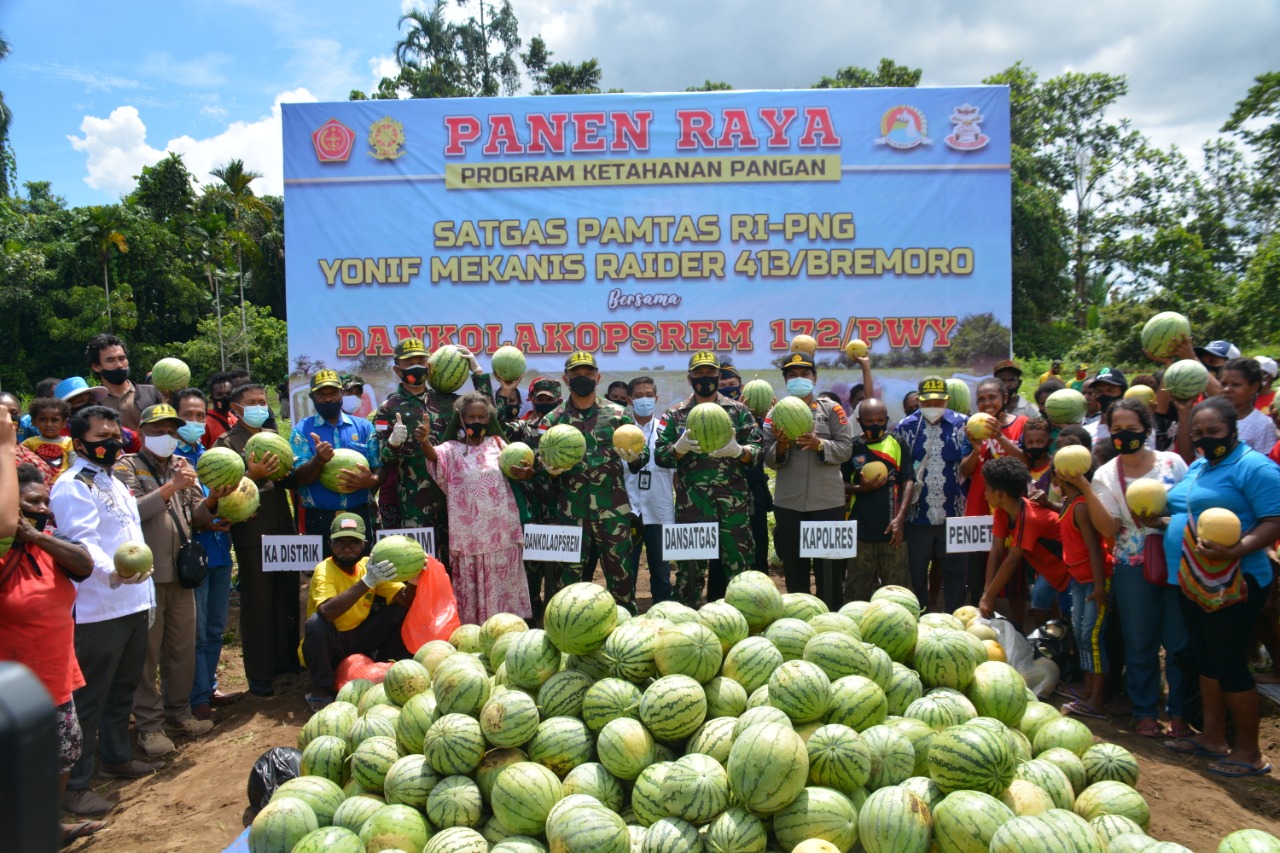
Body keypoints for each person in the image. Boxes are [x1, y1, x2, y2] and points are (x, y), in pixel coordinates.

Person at [1156, 397, 1280, 777]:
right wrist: (1159, 519)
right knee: (1206, 659)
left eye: (1214, 432)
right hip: (1195, 579)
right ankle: (1212, 737)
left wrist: (1235, 550)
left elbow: (1273, 521)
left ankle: (1250, 752)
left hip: (1237, 581)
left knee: (1228, 662)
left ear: (1233, 430)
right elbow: (1186, 511)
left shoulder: (1254, 467)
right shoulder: (1199, 466)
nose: (1206, 440)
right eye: (1198, 434)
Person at [50, 405, 161, 817]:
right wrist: (113, 570)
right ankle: (77, 786)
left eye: (116, 437)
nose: (111, 445)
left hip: (133, 601)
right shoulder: (72, 485)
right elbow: (82, 543)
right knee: (89, 698)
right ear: (79, 443)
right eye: (101, 439)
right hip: (99, 607)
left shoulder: (114, 481)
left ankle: (116, 757)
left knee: (123, 687)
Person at [1075, 398, 1190, 737]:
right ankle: (1145, 710)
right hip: (1131, 569)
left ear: (1147, 428)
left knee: (1178, 641)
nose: (1125, 435)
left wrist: (1164, 519)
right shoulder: (1107, 474)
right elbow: (1109, 529)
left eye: (1132, 429)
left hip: (1175, 562)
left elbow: (1190, 507)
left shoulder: (1172, 463)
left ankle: (1180, 713)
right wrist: (1084, 486)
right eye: (1117, 430)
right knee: (1140, 642)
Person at [0, 463, 102, 844]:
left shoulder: (50, 543)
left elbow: (84, 564)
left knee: (63, 753)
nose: (42, 508)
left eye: (45, 501)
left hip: (55, 675)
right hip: (13, 687)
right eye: (30, 503)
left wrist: (35, 536)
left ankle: (48, 824)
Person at [115, 404, 221, 757]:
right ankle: (149, 727)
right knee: (147, 654)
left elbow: (199, 517)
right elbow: (131, 512)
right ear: (144, 432)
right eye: (159, 430)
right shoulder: (127, 466)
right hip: (146, 576)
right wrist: (171, 486)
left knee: (182, 648)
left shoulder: (182, 468)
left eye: (172, 431)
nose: (167, 437)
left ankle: (179, 714)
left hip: (181, 573)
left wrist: (215, 497)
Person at [535, 352, 647, 607]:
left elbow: (642, 455)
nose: (582, 378)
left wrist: (634, 458)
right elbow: (538, 462)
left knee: (621, 580)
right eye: (576, 374)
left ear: (598, 377)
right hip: (571, 513)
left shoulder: (619, 416)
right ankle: (569, 631)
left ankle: (625, 632)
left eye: (588, 374)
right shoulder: (552, 420)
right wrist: (548, 470)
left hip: (613, 512)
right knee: (568, 584)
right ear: (566, 379)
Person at [214, 382, 301, 697]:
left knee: (286, 595)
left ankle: (286, 662)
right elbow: (221, 492)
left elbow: (291, 477)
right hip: (252, 533)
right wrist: (251, 473)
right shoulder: (227, 444)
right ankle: (260, 674)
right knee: (259, 601)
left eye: (263, 401)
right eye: (251, 402)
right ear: (235, 409)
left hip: (283, 527)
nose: (259, 406)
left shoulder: (274, 439)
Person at [375, 338, 493, 566]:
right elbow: (384, 462)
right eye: (409, 362)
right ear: (397, 369)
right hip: (415, 502)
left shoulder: (449, 402)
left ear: (429, 366)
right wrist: (393, 445)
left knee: (457, 561)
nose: (416, 366)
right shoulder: (389, 409)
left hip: (455, 498)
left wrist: (477, 373)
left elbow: (488, 412)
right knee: (420, 563)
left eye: (421, 360)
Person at [655, 351, 759, 606]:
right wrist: (678, 449)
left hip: (733, 503)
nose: (705, 378)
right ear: (689, 377)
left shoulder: (738, 411)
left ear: (718, 375)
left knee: (740, 568)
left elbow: (757, 451)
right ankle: (685, 623)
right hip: (692, 504)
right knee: (688, 572)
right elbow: (660, 456)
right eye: (699, 373)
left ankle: (746, 621)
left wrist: (740, 451)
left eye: (710, 372)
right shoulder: (675, 414)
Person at [421, 392, 531, 623]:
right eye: (471, 416)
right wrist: (424, 441)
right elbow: (433, 458)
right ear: (461, 418)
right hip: (469, 536)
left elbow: (518, 470)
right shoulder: (451, 449)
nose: (477, 421)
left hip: (502, 533)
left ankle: (508, 628)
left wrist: (527, 472)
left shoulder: (499, 444)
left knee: (504, 583)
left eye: (482, 416)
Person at [763, 351, 854, 609]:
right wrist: (781, 446)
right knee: (794, 566)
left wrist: (819, 444)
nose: (799, 379)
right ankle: (798, 617)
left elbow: (846, 449)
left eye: (805, 374)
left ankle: (832, 617)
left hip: (828, 502)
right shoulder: (775, 415)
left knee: (830, 568)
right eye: (792, 375)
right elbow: (769, 460)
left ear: (814, 378)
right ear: (785, 381)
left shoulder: (833, 409)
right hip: (789, 503)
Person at [172, 388, 240, 720]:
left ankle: (209, 685)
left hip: (219, 552)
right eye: (188, 416)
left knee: (215, 628)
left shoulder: (210, 454)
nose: (197, 422)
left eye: (201, 416)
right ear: (175, 419)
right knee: (196, 632)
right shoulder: (173, 461)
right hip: (192, 556)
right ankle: (196, 696)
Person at [301, 513, 413, 708]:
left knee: (399, 613)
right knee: (316, 623)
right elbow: (327, 612)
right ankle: (322, 687)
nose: (346, 549)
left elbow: (404, 600)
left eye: (354, 543)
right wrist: (367, 583)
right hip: (330, 645)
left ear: (365, 544)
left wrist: (414, 580)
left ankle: (386, 669)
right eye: (340, 542)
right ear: (330, 544)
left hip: (359, 639)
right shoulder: (324, 569)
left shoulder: (368, 566)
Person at [896, 376, 975, 611]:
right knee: (916, 572)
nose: (933, 407)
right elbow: (902, 473)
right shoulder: (906, 427)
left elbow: (969, 469)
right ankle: (920, 615)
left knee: (956, 572)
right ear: (919, 400)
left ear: (947, 400)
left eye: (938, 402)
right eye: (927, 402)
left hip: (955, 514)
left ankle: (954, 616)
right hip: (917, 517)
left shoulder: (964, 425)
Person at [292, 368, 381, 555]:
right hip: (319, 519)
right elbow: (299, 477)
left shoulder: (364, 427)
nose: (328, 398)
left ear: (341, 392)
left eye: (333, 392)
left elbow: (378, 468)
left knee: (362, 575)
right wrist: (318, 461)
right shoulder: (302, 430)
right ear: (312, 396)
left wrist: (370, 481)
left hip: (359, 514)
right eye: (321, 394)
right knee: (323, 576)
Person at [496, 377, 562, 620]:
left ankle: (558, 624)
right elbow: (498, 424)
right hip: (531, 520)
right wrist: (505, 390)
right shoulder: (524, 430)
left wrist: (541, 472)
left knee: (560, 584)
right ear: (531, 400)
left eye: (550, 399)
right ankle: (532, 626)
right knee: (530, 580)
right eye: (540, 398)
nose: (545, 403)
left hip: (563, 518)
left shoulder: (570, 433)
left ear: (560, 401)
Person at [977, 456, 1070, 623]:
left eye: (987, 489)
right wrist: (987, 592)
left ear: (1000, 494)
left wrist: (989, 597)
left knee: (1072, 624)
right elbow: (997, 550)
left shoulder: (1030, 517)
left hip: (1070, 572)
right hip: (1051, 573)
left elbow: (1011, 561)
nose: (984, 494)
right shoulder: (1002, 510)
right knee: (1042, 602)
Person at [963, 378, 1029, 604]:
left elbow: (1026, 463)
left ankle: (1016, 626)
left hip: (1011, 509)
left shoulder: (1022, 423)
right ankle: (977, 612)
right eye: (981, 399)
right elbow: (964, 471)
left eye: (992, 397)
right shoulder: (971, 427)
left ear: (1005, 398)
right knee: (977, 567)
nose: (986, 402)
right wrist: (976, 449)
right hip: (979, 506)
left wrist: (999, 436)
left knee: (1014, 570)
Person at [1056, 464, 1113, 720]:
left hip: (1093, 581)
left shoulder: (1080, 506)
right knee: (1081, 634)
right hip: (1079, 580)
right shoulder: (1069, 503)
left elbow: (1094, 548)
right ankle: (1088, 690)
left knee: (1092, 637)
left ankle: (1097, 698)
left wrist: (1100, 587)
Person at [842, 398, 914, 601]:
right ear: (859, 420)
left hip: (893, 531)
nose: (875, 424)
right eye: (869, 420)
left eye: (880, 420)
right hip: (860, 532)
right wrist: (860, 488)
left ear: (887, 419)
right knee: (857, 590)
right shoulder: (852, 447)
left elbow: (909, 481)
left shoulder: (898, 443)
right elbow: (840, 485)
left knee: (897, 592)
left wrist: (900, 519)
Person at [624, 376, 675, 604]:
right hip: (629, 511)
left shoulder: (666, 430)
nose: (643, 399)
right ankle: (627, 615)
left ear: (656, 398)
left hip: (660, 510)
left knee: (662, 573)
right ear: (629, 400)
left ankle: (663, 613)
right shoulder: (620, 431)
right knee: (627, 571)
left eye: (648, 395)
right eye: (637, 396)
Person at [723, 367, 772, 573]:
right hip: (728, 491)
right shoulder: (721, 416)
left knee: (758, 542)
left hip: (754, 490)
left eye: (732, 385)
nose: (728, 389)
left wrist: (770, 418)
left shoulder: (766, 420)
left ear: (741, 387)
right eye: (723, 387)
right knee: (727, 547)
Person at [85, 333, 163, 430]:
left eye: (122, 358)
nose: (119, 365)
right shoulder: (93, 402)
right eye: (110, 360)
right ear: (96, 366)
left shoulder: (152, 393)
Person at [1220, 358, 1276, 455]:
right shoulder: (1212, 418)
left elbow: (1264, 465)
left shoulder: (1263, 425)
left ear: (1254, 387)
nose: (1227, 389)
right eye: (1224, 384)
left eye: (1236, 385)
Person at [21, 396, 73, 476]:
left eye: (55, 420)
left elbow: (74, 466)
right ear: (34, 421)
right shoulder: (29, 443)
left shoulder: (69, 443)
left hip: (60, 485)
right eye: (42, 420)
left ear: (64, 422)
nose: (49, 424)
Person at [202, 372, 238, 448]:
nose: (225, 398)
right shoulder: (205, 423)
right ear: (212, 397)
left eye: (228, 393)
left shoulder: (234, 419)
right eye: (219, 394)